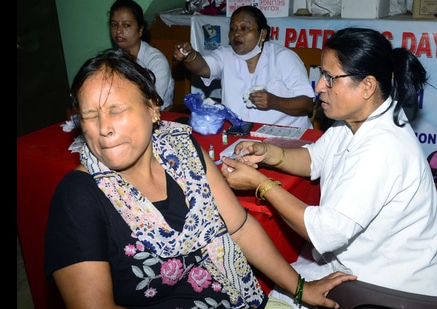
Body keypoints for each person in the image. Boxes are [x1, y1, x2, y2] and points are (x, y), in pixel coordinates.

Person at [44, 48, 357, 309]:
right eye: (90, 115)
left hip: (239, 299)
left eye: (116, 109)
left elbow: (240, 227)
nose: (104, 127)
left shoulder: (184, 151)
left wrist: (301, 288)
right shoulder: (78, 196)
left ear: (153, 109)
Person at [218, 27, 437, 307]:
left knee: (267, 294)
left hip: (394, 289)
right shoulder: (359, 119)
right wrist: (268, 152)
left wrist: (261, 184)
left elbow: (324, 231)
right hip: (372, 262)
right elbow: (315, 159)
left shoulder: (383, 148)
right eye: (321, 75)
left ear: (367, 86)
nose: (318, 86)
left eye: (330, 78)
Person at [172, 5, 315, 129]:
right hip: (240, 135)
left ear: (263, 34)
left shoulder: (283, 57)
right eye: (233, 29)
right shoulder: (225, 55)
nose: (237, 33)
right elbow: (203, 67)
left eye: (244, 28)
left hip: (285, 137)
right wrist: (189, 55)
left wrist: (274, 102)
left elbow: (306, 104)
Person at [109, 0, 174, 111]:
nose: (119, 31)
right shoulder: (113, 59)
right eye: (114, 25)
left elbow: (153, 103)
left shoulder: (156, 61)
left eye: (126, 25)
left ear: (140, 30)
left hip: (158, 118)